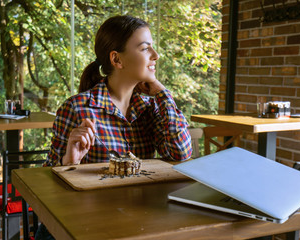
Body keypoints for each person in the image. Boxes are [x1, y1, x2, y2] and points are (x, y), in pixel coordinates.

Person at [36, 15, 192, 239]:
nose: (156, 56)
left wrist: (163, 93)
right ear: (117, 60)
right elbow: (46, 189)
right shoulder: (77, 108)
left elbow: (182, 154)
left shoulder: (154, 107)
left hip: (137, 223)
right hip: (80, 227)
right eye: (145, 48)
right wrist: (70, 162)